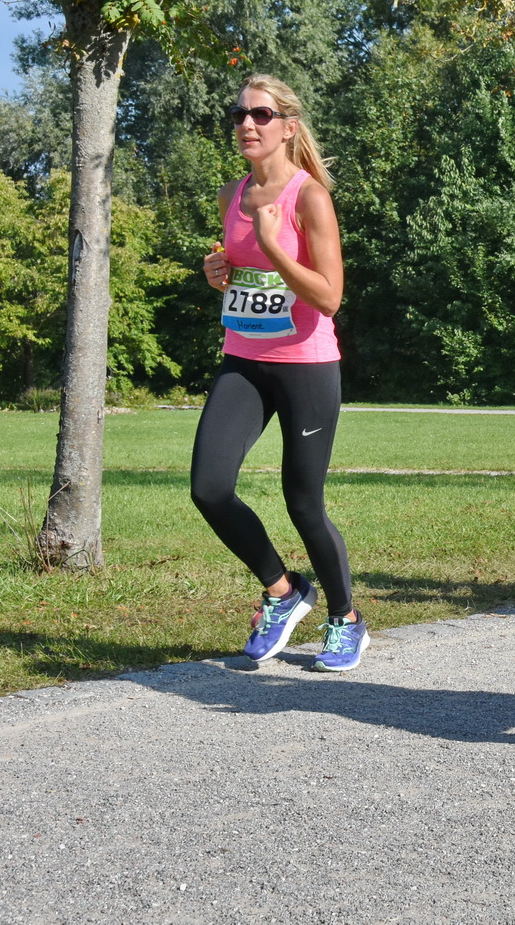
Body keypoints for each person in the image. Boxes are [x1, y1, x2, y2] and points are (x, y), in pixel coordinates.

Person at [194, 74, 367, 672]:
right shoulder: (231, 195)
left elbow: (329, 297)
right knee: (208, 487)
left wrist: (274, 251)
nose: (247, 123)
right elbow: (242, 277)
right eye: (239, 113)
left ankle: (345, 619)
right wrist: (221, 272)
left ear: (288, 127)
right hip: (244, 360)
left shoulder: (308, 197)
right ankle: (282, 592)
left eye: (261, 115)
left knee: (303, 502)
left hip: (306, 365)